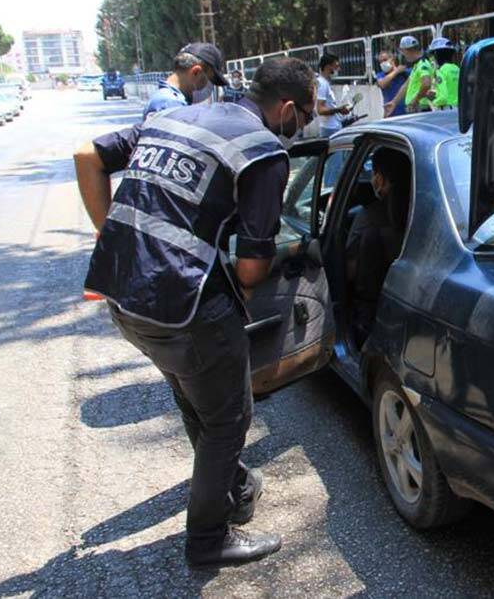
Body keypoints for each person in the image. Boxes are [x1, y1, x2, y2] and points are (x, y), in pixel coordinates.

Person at [73, 57, 317, 569]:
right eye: (308, 116)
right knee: (229, 417)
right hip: (182, 306)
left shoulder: (173, 116)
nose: (304, 127)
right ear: (289, 109)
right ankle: (208, 541)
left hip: (122, 291)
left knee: (193, 394)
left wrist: (112, 234)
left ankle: (233, 486)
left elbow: (85, 157)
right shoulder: (262, 151)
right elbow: (252, 266)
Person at [345, 148, 410, 346]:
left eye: (373, 174)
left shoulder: (367, 219)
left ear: (380, 179)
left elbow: (349, 272)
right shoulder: (423, 212)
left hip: (371, 315)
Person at [143, 42, 229, 119]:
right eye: (210, 80)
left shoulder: (164, 99)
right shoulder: (171, 104)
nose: (210, 87)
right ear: (196, 72)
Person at [384, 35, 435, 114]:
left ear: (408, 51)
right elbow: (406, 85)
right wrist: (394, 102)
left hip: (419, 108)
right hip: (416, 108)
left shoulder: (423, 64)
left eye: (403, 52)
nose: (403, 56)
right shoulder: (417, 65)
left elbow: (426, 84)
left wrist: (415, 100)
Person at [314, 53, 351, 138]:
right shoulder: (322, 84)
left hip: (332, 126)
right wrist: (339, 110)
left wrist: (340, 110)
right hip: (330, 129)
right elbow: (320, 110)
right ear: (328, 67)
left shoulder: (325, 83)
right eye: (336, 66)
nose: (339, 69)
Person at [426, 38, 460, 110]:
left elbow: (443, 98)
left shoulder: (441, 71)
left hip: (446, 110)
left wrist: (432, 102)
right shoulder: (457, 69)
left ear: (437, 54)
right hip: (459, 109)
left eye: (433, 55)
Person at [375, 51, 409, 117]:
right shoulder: (380, 75)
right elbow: (382, 84)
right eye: (380, 62)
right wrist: (396, 71)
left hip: (406, 112)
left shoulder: (404, 73)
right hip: (390, 113)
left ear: (392, 59)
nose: (382, 63)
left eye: (385, 60)